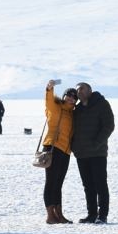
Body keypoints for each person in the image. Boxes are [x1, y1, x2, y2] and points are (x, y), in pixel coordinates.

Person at [71, 82, 115, 224]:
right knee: (88, 185)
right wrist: (74, 147)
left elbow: (109, 126)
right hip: (81, 153)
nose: (79, 92)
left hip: (98, 152)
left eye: (82, 89)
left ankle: (102, 215)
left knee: (100, 184)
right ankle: (91, 214)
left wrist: (97, 143)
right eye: (78, 90)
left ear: (90, 90)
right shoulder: (77, 109)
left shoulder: (102, 104)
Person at [43, 80, 76, 224]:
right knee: (51, 182)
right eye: (69, 95)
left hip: (66, 151)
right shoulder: (54, 107)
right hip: (53, 147)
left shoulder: (73, 114)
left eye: (74, 97)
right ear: (63, 96)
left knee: (59, 183)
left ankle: (59, 214)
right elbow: (49, 98)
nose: (71, 98)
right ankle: (50, 215)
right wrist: (49, 88)